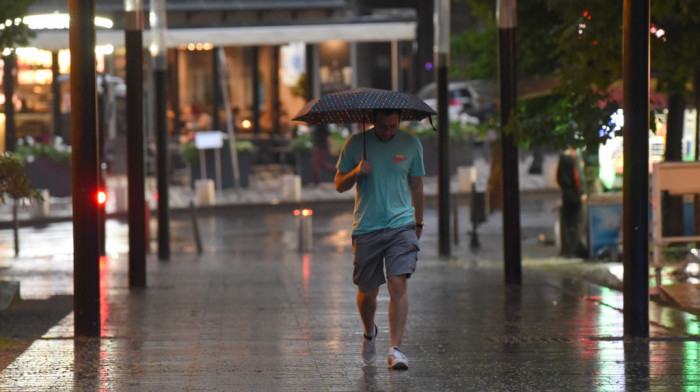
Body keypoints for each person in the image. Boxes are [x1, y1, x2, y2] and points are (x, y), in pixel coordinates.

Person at [335, 108, 425, 370]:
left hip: (401, 225)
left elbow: (417, 186)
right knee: (368, 293)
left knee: (398, 284)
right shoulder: (355, 144)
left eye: (394, 126)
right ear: (373, 122)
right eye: (383, 126)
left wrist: (418, 223)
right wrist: (356, 172)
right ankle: (369, 332)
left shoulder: (411, 143)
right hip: (367, 227)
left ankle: (395, 349)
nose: (388, 131)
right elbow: (339, 184)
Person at [557, 147, 584, 257]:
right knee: (575, 222)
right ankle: (574, 248)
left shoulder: (562, 157)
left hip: (566, 192)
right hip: (574, 192)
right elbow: (577, 176)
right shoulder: (574, 158)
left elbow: (558, 176)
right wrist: (580, 191)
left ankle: (567, 250)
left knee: (566, 222)